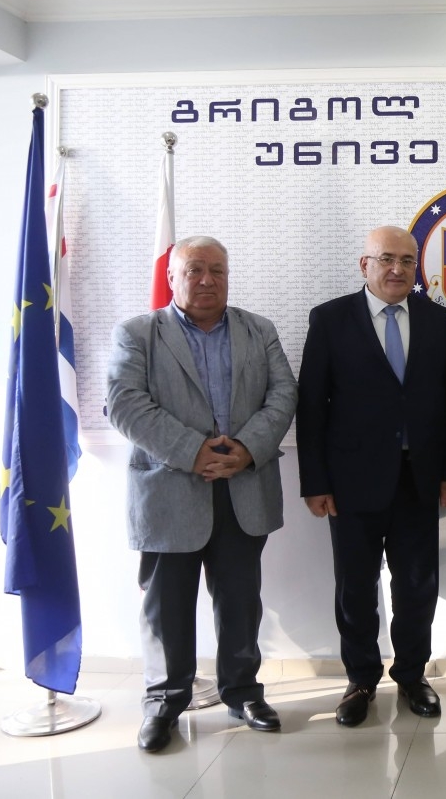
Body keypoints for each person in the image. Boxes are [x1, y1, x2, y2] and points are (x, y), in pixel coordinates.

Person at [107, 236, 297, 753]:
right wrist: (193, 452)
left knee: (240, 602)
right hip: (168, 491)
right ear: (172, 277)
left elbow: (284, 394)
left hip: (243, 487)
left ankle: (243, 692)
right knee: (166, 607)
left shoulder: (259, 330)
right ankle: (164, 702)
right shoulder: (137, 333)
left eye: (218, 270)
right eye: (194, 270)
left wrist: (247, 448)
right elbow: (124, 403)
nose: (207, 280)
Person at [296, 226, 446, 725]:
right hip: (350, 483)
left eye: (407, 261)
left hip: (419, 479)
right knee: (355, 588)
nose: (397, 269)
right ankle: (361, 680)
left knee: (417, 586)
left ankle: (412, 675)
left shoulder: (435, 319)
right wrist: (315, 482)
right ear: (364, 264)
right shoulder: (330, 319)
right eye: (386, 259)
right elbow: (311, 406)